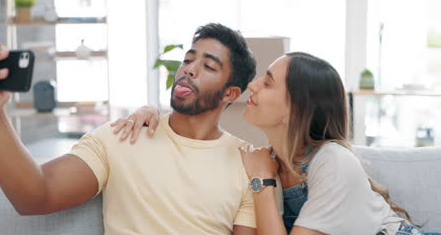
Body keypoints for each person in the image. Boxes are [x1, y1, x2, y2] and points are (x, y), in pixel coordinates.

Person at [0, 23, 259, 234]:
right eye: (188, 59)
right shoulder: (123, 136)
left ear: (230, 94)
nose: (189, 69)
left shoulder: (247, 162)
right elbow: (35, 197)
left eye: (208, 66)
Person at [113, 52, 441, 235]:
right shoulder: (265, 159)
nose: (253, 86)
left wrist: (263, 184)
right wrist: (152, 112)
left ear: (294, 108)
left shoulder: (331, 161)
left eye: (267, 82)